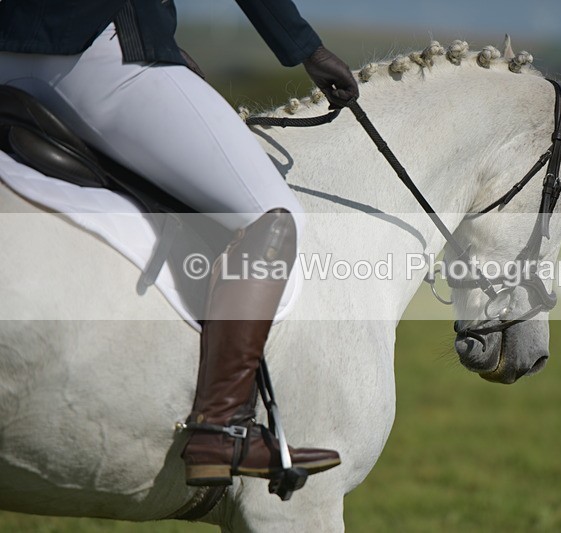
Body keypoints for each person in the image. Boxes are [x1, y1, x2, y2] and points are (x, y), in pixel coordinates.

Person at [0, 0, 359, 486]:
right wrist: (307, 49)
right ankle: (223, 428)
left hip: (10, 57)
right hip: (100, 51)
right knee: (273, 217)